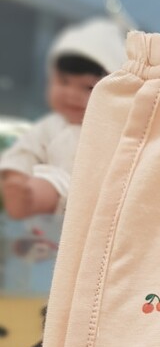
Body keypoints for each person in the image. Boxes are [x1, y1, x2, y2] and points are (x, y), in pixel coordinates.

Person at [0, 16, 125, 221]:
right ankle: (23, 196)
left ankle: (28, 197)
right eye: (64, 82)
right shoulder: (52, 125)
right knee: (46, 181)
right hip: (52, 202)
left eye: (88, 87)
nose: (72, 94)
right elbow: (26, 149)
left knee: (53, 184)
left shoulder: (112, 130)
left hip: (94, 201)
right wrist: (16, 174)